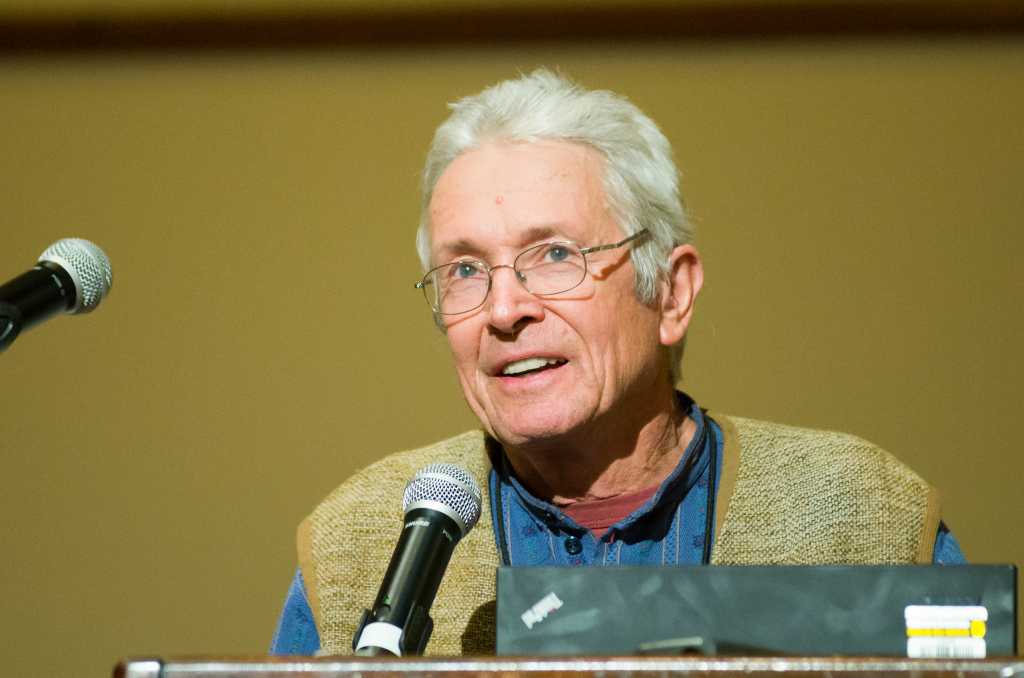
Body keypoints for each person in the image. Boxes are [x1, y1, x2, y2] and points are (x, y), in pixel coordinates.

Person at [270, 69, 965, 657]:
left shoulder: (865, 517)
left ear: (670, 291)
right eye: (464, 270)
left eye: (555, 255)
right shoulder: (355, 547)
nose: (504, 309)